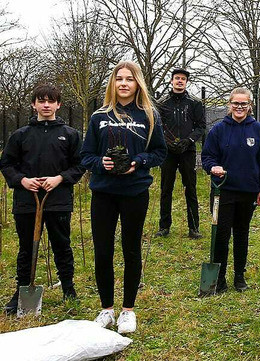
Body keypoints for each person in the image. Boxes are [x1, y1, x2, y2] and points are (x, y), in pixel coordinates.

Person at [81, 61, 167, 333]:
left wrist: (139, 161)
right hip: (104, 193)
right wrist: (100, 163)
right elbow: (86, 155)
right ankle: (106, 309)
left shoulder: (149, 116)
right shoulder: (99, 117)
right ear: (113, 83)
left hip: (134, 192)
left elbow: (159, 152)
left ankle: (128, 310)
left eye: (130, 79)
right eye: (119, 79)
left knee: (131, 250)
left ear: (137, 83)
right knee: (103, 251)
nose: (124, 84)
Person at [1, 84, 85, 315]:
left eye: (51, 101)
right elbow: (6, 164)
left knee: (62, 245)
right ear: (34, 104)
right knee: (26, 248)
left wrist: (60, 178)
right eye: (41, 101)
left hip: (57, 200)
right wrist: (22, 181)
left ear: (58, 104)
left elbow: (80, 165)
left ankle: (68, 289)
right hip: (27, 202)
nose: (46, 105)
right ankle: (21, 290)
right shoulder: (20, 135)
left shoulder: (70, 135)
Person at [201, 87, 260, 293]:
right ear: (229, 105)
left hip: (248, 191)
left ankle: (239, 277)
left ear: (249, 105)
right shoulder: (219, 130)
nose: (239, 107)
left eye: (243, 104)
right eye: (236, 103)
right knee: (221, 235)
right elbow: (207, 157)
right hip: (223, 191)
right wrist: (212, 167)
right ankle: (219, 278)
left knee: (242, 234)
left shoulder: (258, 130)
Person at [155, 68, 206, 239]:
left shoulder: (195, 103)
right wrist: (167, 143)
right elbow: (157, 126)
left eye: (183, 79)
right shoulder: (162, 103)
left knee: (190, 188)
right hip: (168, 152)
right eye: (177, 78)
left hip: (188, 151)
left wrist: (189, 140)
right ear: (171, 81)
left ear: (186, 82)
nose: (179, 81)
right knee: (165, 189)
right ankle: (164, 226)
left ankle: (194, 227)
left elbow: (201, 127)